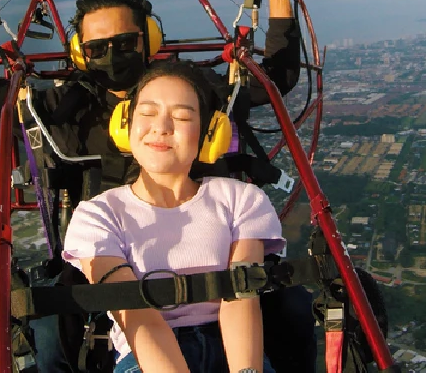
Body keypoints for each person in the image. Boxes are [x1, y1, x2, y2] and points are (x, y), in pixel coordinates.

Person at [0, 0, 313, 372]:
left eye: (125, 42)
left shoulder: (190, 90)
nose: (112, 56)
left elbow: (272, 79)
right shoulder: (69, 109)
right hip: (106, 249)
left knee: (295, 307)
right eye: (97, 48)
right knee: (51, 330)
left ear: (147, 39)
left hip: (214, 248)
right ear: (80, 53)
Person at [62, 61, 283, 373]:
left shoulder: (241, 199)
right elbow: (135, 313)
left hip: (232, 346)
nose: (161, 127)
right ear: (125, 125)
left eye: (181, 116)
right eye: (148, 113)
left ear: (209, 133)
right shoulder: (97, 215)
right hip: (145, 358)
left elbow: (242, 298)